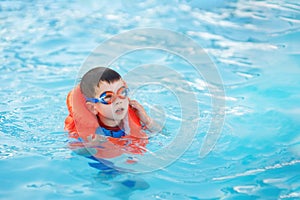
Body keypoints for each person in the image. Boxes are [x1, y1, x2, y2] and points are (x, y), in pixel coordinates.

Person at [64, 67, 160, 159]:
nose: (118, 101)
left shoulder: (134, 120)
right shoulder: (89, 132)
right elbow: (76, 151)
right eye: (108, 97)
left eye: (122, 92)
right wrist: (91, 146)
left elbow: (161, 133)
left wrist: (147, 120)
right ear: (93, 107)